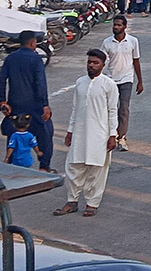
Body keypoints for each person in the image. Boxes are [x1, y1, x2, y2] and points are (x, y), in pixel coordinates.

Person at [54, 49, 119, 218]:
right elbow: (75, 109)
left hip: (100, 135)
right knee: (74, 167)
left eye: (95, 62)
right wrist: (70, 131)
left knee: (96, 170)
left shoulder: (108, 85)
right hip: (80, 134)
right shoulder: (80, 83)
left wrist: (113, 135)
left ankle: (92, 204)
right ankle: (72, 201)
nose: (91, 65)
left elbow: (113, 111)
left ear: (103, 65)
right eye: (89, 62)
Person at [0, 30, 55, 172]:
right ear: (32, 43)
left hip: (15, 104)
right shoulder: (36, 59)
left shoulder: (10, 58)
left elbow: (1, 80)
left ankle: (12, 165)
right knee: (45, 132)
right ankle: (44, 165)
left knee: (15, 133)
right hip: (34, 105)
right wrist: (45, 105)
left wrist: (2, 101)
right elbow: (40, 83)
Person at [100, 16, 143, 153]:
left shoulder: (132, 41)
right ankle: (111, 134)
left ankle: (122, 137)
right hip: (111, 79)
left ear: (124, 27)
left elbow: (136, 61)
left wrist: (140, 81)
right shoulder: (107, 43)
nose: (115, 27)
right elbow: (101, 61)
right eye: (114, 25)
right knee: (110, 108)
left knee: (124, 108)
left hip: (127, 79)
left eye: (118, 25)